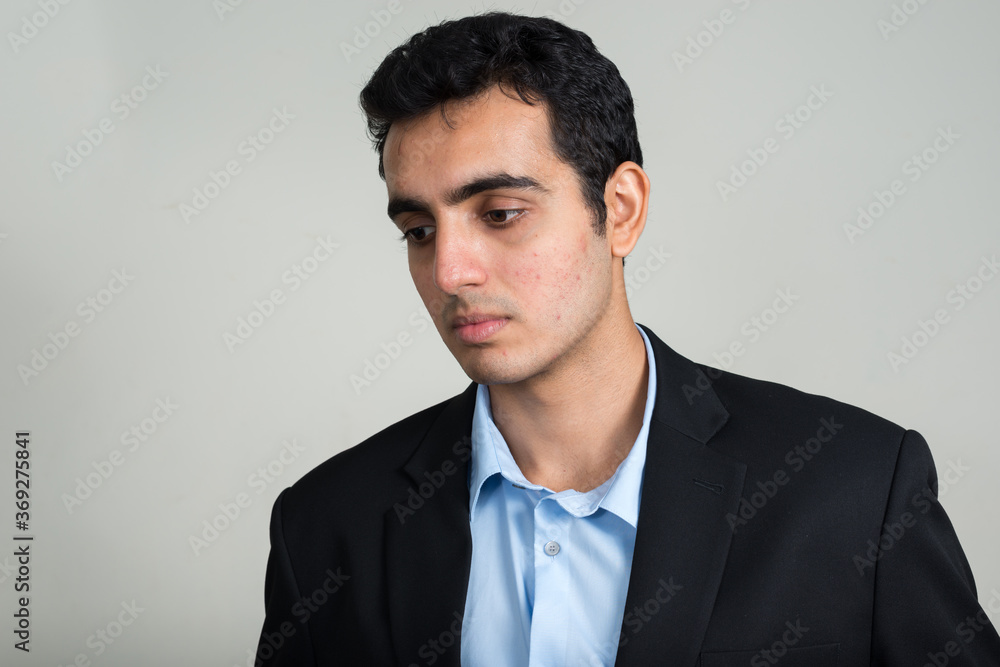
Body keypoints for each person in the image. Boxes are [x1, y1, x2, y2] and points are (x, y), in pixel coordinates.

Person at [255, 11, 1000, 666]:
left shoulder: (855, 488)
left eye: (500, 213)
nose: (449, 271)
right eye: (419, 230)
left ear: (621, 209)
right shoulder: (324, 527)